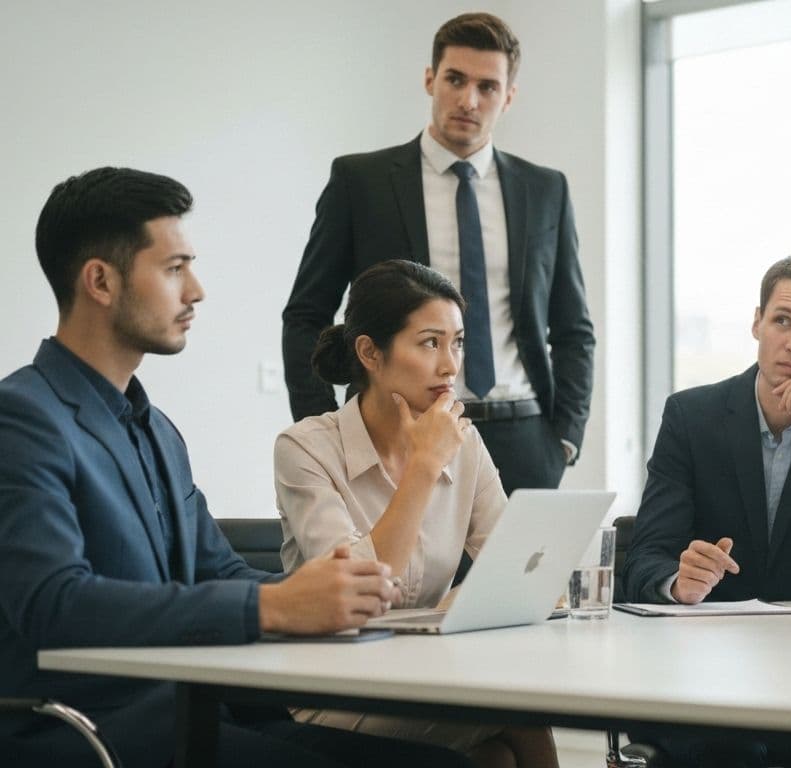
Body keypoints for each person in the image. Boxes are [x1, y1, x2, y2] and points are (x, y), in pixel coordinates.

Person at [0, 167, 474, 768]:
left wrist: (325, 596)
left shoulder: (157, 431)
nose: (195, 290)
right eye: (174, 269)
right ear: (100, 281)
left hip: (194, 715)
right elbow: (53, 605)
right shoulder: (23, 419)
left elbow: (216, 571)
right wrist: (273, 607)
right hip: (89, 735)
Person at [283, 11, 594, 495]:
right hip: (400, 429)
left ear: (508, 97)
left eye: (488, 87)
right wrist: (326, 429)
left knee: (522, 574)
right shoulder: (360, 182)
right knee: (398, 571)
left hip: (526, 438)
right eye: (455, 79)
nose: (468, 100)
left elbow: (573, 328)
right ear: (431, 79)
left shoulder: (545, 190)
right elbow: (306, 314)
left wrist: (565, 438)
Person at [276, 260, 558, 768]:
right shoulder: (306, 448)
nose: (450, 366)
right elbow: (360, 589)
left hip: (428, 673)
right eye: (430, 343)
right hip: (333, 689)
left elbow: (521, 570)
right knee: (520, 710)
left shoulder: (463, 442)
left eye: (458, 342)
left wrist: (469, 597)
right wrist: (424, 465)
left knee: (498, 755)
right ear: (369, 352)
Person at [623, 250, 791, 768]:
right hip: (703, 674)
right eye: (783, 321)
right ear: (757, 323)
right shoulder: (691, 415)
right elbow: (646, 557)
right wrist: (678, 583)